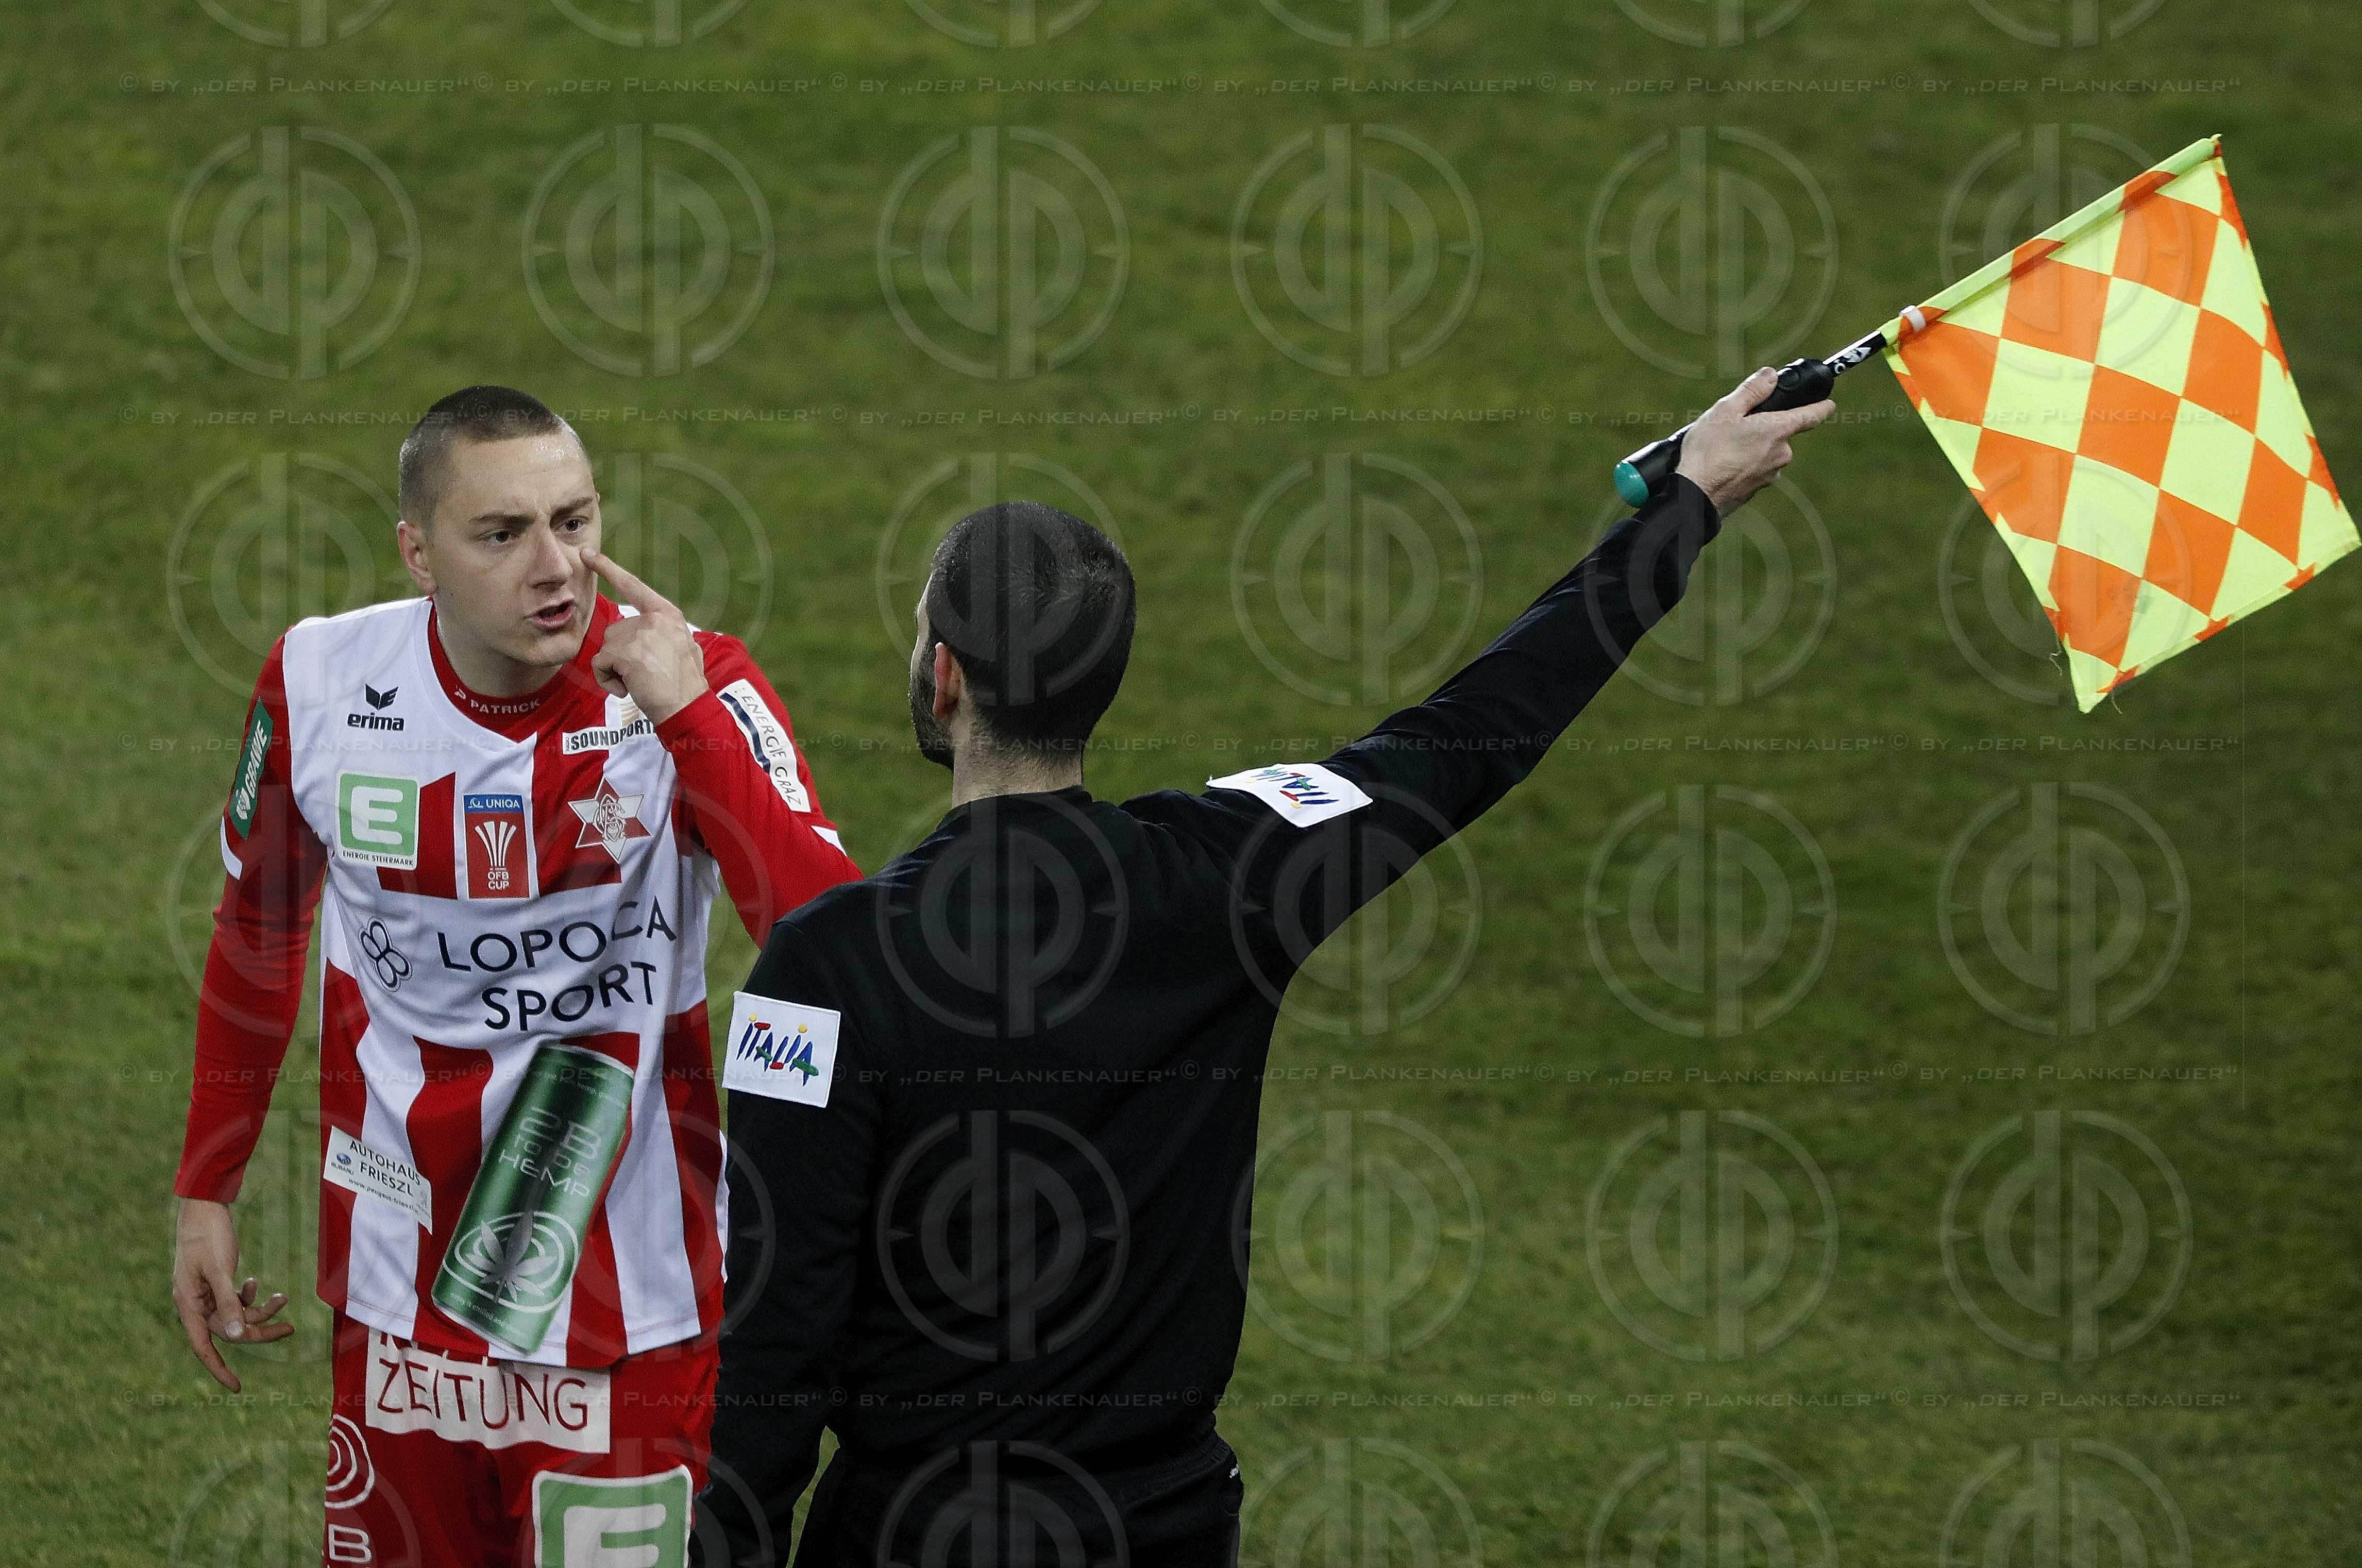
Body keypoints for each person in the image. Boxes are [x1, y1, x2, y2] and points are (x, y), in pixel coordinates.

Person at [692, 367, 1835, 1566]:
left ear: (945, 677)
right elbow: (1472, 731)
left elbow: (777, 1344)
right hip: (1165, 1525)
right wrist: (1683, 506)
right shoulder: (1231, 879)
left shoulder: (826, 967)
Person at [167, 385, 863, 1567]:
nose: (557, 567)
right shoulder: (321, 682)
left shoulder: (694, 679)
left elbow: (835, 942)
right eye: (503, 534)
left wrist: (689, 718)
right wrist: (206, 1186)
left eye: (575, 522)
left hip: (632, 1320)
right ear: (418, 553)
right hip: (398, 1301)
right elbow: (259, 933)